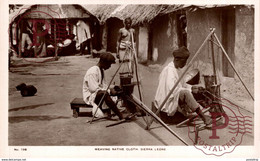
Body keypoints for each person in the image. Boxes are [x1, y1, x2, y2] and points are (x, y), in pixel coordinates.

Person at [154, 46, 211, 125]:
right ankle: (204, 118)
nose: (185, 64)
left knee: (195, 90)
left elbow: (181, 84)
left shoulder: (176, 69)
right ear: (177, 59)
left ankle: (210, 111)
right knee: (186, 93)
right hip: (165, 104)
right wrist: (188, 90)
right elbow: (172, 90)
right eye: (183, 62)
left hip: (172, 98)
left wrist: (192, 88)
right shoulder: (169, 71)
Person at [82, 53, 124, 119]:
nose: (109, 67)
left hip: (97, 94)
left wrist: (113, 88)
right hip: (91, 96)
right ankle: (120, 115)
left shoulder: (101, 70)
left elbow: (103, 86)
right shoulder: (92, 72)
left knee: (118, 89)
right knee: (104, 94)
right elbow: (94, 89)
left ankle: (131, 109)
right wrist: (110, 91)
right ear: (103, 62)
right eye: (109, 64)